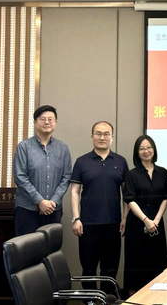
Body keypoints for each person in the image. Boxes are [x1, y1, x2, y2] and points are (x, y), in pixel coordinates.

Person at [70, 121, 129, 293]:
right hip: (88, 224)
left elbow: (127, 195)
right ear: (92, 137)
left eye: (106, 134)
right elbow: (74, 191)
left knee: (110, 269)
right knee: (88, 268)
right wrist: (76, 218)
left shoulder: (120, 161)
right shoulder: (82, 162)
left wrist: (125, 218)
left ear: (112, 137)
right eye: (98, 133)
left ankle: (107, 299)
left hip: (113, 224)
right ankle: (90, 300)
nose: (102, 137)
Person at [13, 105, 72, 235]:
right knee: (27, 246)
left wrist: (53, 201)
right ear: (35, 122)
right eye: (42, 119)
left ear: (55, 122)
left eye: (50, 119)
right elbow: (20, 177)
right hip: (27, 209)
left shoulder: (63, 148)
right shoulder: (24, 147)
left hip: (54, 209)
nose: (47, 122)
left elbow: (67, 177)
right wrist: (40, 201)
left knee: (51, 247)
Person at [123, 135, 167, 294]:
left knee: (157, 260)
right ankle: (134, 297)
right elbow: (129, 199)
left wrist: (156, 220)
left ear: (154, 150)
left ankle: (156, 297)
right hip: (137, 223)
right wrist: (146, 220)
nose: (146, 151)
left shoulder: (162, 172)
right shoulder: (132, 174)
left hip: (157, 223)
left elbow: (166, 197)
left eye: (149, 147)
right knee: (136, 261)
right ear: (137, 152)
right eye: (142, 148)